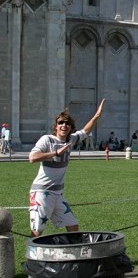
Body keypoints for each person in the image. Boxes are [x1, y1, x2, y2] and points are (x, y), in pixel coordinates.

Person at [28, 100, 105, 237]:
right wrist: (56, 153)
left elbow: (85, 131)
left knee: (73, 226)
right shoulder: (47, 140)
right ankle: (31, 258)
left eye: (67, 123)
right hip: (42, 192)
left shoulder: (71, 140)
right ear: (56, 126)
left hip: (58, 194)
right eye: (61, 123)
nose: (64, 125)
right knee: (37, 231)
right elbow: (32, 158)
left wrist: (97, 116)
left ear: (71, 127)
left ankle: (72, 255)